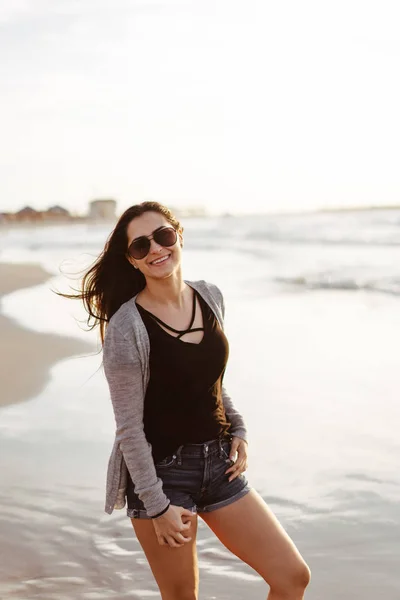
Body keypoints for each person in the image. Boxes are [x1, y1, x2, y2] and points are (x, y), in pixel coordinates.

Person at [74, 201, 310, 600]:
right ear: (131, 260)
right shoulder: (126, 327)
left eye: (163, 236)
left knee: (292, 576)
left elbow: (209, 382)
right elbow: (129, 429)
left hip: (220, 466)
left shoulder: (210, 296)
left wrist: (239, 428)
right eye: (140, 246)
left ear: (178, 235)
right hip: (162, 477)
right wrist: (157, 507)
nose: (155, 249)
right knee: (183, 596)